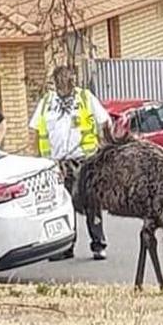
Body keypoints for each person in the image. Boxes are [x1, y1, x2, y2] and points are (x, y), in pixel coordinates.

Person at [29, 65, 110, 260]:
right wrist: (39, 161)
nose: (70, 81)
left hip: (85, 160)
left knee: (92, 203)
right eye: (65, 79)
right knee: (64, 205)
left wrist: (105, 151)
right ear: (56, 81)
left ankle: (98, 245)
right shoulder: (47, 102)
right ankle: (66, 247)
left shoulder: (85, 98)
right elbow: (34, 131)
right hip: (58, 164)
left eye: (71, 78)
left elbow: (105, 122)